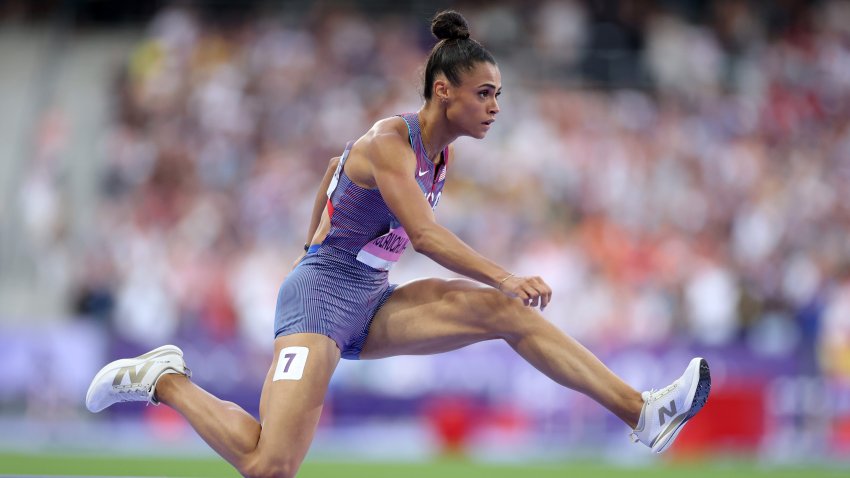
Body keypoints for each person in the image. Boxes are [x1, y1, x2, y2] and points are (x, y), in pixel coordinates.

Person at [86, 10, 710, 478]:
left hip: (372, 298)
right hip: (322, 300)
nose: (495, 107)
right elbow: (424, 235)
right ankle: (164, 378)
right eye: (485, 93)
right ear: (445, 90)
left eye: (498, 95)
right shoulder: (392, 140)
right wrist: (503, 273)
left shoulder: (441, 160)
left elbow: (334, 167)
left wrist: (322, 226)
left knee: (504, 316)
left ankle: (641, 412)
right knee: (268, 465)